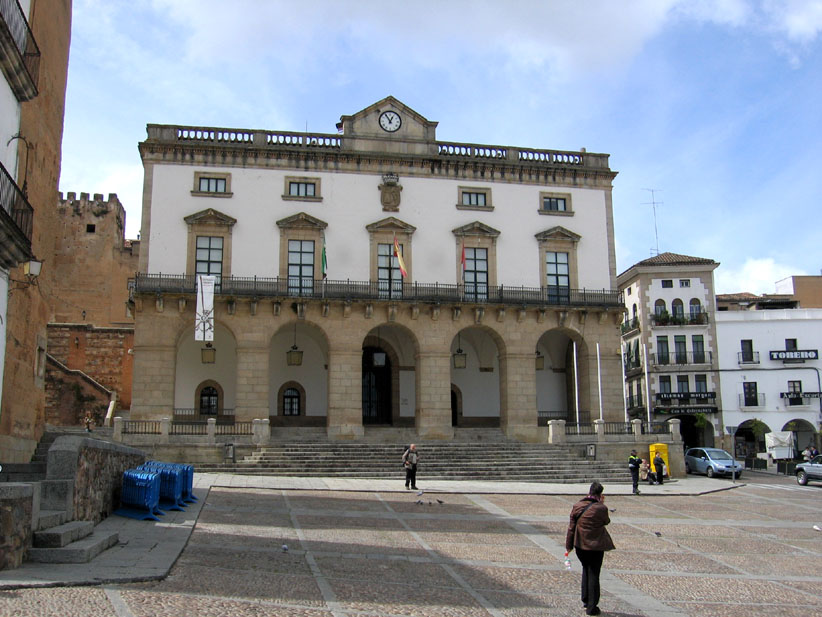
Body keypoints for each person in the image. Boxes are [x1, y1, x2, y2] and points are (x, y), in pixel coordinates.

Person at [565, 481, 615, 616]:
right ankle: (592, 607)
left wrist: (568, 546)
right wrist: (602, 504)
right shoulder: (601, 508)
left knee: (586, 569)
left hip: (580, 545)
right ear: (600, 494)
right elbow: (606, 521)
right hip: (595, 545)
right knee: (593, 572)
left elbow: (571, 528)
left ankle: (586, 599)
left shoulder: (577, 506)